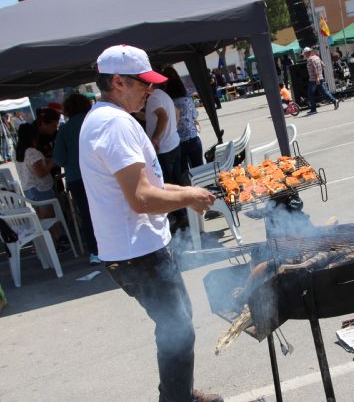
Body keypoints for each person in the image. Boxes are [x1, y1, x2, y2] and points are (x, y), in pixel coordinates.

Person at [78, 44, 220, 402]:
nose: (150, 90)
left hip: (138, 248)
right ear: (118, 82)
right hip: (137, 252)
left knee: (179, 323)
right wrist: (188, 198)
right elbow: (141, 198)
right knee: (178, 331)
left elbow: (149, 185)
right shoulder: (114, 125)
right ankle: (176, 399)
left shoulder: (107, 119)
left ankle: (179, 392)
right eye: (144, 83)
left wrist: (187, 189)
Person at [52, 94, 101, 265]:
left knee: (87, 215)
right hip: (100, 174)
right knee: (108, 209)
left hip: (77, 177)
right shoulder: (95, 121)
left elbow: (58, 158)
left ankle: (95, 252)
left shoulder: (65, 130)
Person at [146, 68, 187, 230]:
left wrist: (155, 137)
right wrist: (171, 130)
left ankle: (181, 217)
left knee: (167, 184)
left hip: (164, 149)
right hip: (174, 143)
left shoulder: (154, 98)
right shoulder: (164, 97)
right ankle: (184, 214)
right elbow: (175, 114)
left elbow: (163, 117)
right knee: (177, 181)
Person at [14, 123, 67, 249]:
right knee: (49, 219)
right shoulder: (32, 152)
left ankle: (49, 244)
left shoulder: (18, 152)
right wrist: (54, 162)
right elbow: (41, 172)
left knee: (42, 219)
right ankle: (58, 240)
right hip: (40, 188)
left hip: (28, 189)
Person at [161, 66, 204, 174]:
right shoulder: (187, 98)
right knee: (200, 172)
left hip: (177, 143)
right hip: (193, 138)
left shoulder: (167, 101)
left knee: (184, 175)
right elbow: (194, 115)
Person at [302, 46, 339, 115]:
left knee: (310, 94)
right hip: (320, 77)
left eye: (305, 53)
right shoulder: (317, 57)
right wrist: (319, 74)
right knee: (324, 92)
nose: (304, 55)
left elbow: (315, 68)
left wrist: (317, 77)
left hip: (314, 79)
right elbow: (323, 65)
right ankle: (334, 100)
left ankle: (313, 109)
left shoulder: (310, 59)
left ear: (307, 53)